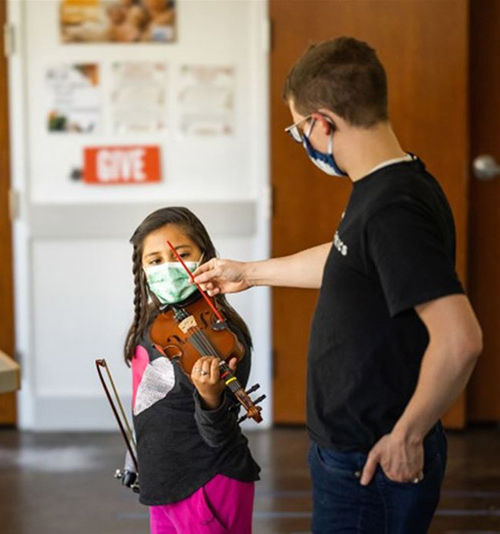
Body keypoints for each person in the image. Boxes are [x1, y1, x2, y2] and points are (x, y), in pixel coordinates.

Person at [193, 37, 483, 533]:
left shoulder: (393, 209)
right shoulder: (385, 187)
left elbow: (460, 340)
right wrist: (250, 272)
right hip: (350, 452)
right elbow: (347, 261)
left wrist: (407, 436)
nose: (303, 141)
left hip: (373, 462)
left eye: (298, 129)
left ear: (322, 123)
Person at [124, 207, 261, 534]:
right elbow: (147, 405)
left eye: (180, 254)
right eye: (154, 261)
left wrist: (210, 397)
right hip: (162, 484)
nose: (167, 267)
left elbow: (220, 434)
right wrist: (137, 453)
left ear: (204, 258)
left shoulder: (223, 338)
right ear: (142, 270)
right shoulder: (152, 328)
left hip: (208, 481)